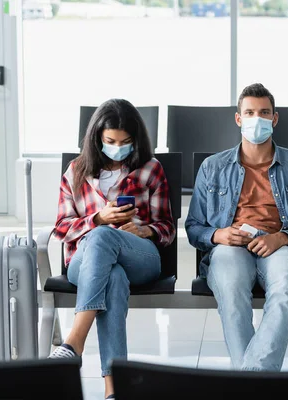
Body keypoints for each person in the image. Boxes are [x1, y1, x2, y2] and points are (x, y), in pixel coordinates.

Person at [185, 83, 288, 372]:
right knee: (231, 291)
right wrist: (218, 234)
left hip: (279, 245)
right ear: (238, 119)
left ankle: (247, 382)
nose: (256, 119)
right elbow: (194, 227)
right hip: (230, 246)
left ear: (275, 118)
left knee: (285, 288)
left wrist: (283, 237)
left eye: (264, 113)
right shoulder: (212, 167)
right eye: (249, 112)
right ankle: (258, 382)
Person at [49, 99, 176, 399]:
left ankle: (74, 342)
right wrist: (98, 218)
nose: (118, 147)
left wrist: (144, 229)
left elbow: (168, 229)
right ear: (97, 138)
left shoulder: (150, 170)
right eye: (110, 141)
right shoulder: (76, 171)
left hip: (140, 257)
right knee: (111, 272)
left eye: (125, 142)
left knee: (107, 241)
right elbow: (61, 228)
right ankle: (113, 390)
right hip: (85, 263)